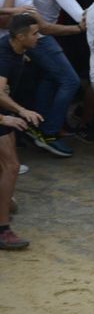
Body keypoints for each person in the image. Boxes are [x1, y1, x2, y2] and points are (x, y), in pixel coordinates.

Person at [0, 13, 44, 249]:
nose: (39, 37)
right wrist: (19, 112)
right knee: (11, 166)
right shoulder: (5, 58)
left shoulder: (14, 50)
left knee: (8, 166)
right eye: (35, 34)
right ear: (20, 37)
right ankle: (3, 230)